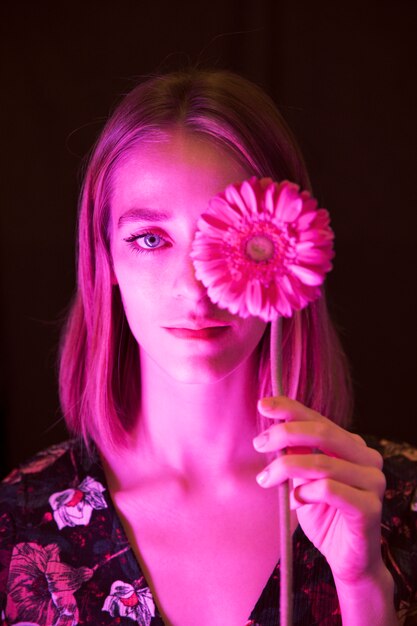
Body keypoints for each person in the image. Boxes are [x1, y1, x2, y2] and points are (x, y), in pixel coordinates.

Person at [0, 68, 416, 626]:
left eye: (228, 239)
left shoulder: (395, 503)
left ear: (286, 248)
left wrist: (365, 590)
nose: (196, 288)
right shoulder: (18, 525)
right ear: (106, 259)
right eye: (150, 239)